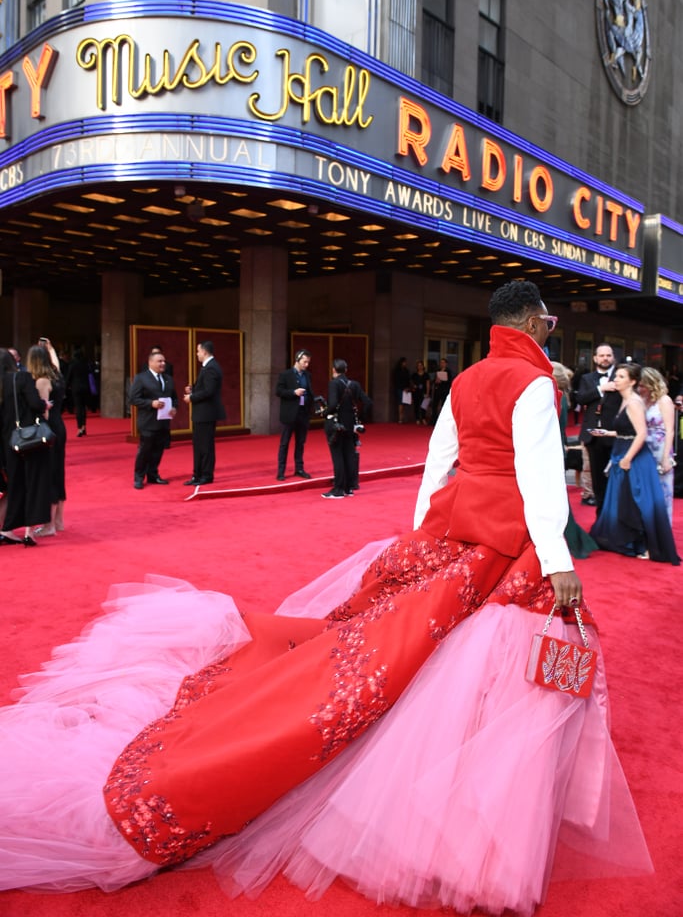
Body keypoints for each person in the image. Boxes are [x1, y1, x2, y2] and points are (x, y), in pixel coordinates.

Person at [0, 283, 653, 912]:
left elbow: (436, 460)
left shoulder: (464, 379)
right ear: (534, 321)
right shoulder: (533, 382)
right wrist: (560, 557)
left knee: (408, 659)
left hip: (454, 529)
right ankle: (475, 810)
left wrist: (425, 532)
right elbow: (540, 475)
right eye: (549, 323)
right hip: (512, 545)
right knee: (499, 676)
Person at [589, 362, 679, 564]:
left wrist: (628, 458)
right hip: (626, 451)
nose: (616, 380)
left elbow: (641, 434)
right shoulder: (628, 401)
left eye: (621, 377)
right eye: (616, 376)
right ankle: (629, 540)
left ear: (632, 381)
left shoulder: (635, 403)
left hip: (636, 456)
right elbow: (628, 431)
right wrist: (607, 433)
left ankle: (646, 545)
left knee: (641, 501)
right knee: (628, 500)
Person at [0, 346, 52, 547]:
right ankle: (30, 531)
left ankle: (7, 528)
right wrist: (45, 405)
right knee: (35, 482)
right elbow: (35, 404)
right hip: (28, 439)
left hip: (7, 442)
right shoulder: (21, 378)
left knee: (16, 484)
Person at [552, 362, 597, 559]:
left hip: (550, 453)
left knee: (556, 501)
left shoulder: (556, 397)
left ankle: (571, 539)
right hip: (554, 452)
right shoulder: (560, 397)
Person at [27, 340, 67, 537]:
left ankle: (50, 524)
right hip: (60, 428)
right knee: (58, 472)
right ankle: (58, 520)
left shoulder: (42, 381)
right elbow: (57, 365)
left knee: (50, 473)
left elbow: (45, 414)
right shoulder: (57, 376)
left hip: (49, 430)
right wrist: (51, 350)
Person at [575, 343, 621, 511]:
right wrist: (601, 389)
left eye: (608, 355)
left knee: (616, 477)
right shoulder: (587, 379)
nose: (605, 358)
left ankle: (614, 514)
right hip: (593, 435)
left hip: (614, 434)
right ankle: (601, 515)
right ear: (595, 358)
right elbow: (581, 398)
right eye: (601, 355)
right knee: (597, 477)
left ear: (613, 358)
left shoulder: (620, 377)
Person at [129, 350, 177, 490]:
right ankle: (139, 477)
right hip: (148, 421)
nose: (163, 364)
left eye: (164, 361)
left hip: (164, 421)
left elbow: (174, 397)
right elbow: (133, 399)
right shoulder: (141, 378)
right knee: (145, 450)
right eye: (159, 361)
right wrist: (151, 403)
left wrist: (174, 407)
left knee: (158, 450)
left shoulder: (168, 378)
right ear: (150, 363)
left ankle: (153, 474)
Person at [183, 341, 225, 486]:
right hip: (202, 413)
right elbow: (205, 388)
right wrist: (193, 389)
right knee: (199, 445)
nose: (197, 354)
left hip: (206, 413)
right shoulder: (208, 367)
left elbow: (209, 391)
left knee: (205, 446)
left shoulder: (212, 368)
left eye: (198, 351)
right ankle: (198, 475)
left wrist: (192, 397)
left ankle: (205, 475)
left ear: (204, 352)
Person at [321, 359, 365, 499]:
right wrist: (358, 419)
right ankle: (349, 488)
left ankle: (338, 489)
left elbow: (333, 404)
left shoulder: (333, 384)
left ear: (334, 370)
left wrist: (325, 412)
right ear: (346, 370)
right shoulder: (355, 385)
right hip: (351, 426)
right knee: (349, 455)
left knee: (338, 456)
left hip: (337, 425)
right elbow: (367, 402)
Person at [638, 366, 676, 524]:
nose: (639, 387)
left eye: (642, 384)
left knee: (663, 489)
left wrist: (666, 457)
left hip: (660, 447)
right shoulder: (642, 400)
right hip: (644, 447)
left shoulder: (664, 400)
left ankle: (663, 526)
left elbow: (670, 430)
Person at [275, 349, 313, 480]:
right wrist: (293, 392)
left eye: (308, 362)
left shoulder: (307, 375)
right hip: (290, 413)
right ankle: (281, 471)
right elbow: (279, 391)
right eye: (304, 362)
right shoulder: (285, 375)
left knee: (300, 442)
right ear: (297, 360)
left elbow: (310, 391)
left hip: (303, 412)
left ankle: (299, 468)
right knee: (285, 443)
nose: (306, 365)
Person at [67, 346, 91, 437]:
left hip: (76, 388)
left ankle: (79, 427)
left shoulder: (72, 365)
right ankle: (84, 426)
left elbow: (68, 377)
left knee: (78, 408)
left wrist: (65, 388)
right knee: (83, 408)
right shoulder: (85, 364)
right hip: (85, 387)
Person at [430, 357, 453, 424]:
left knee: (443, 405)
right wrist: (436, 381)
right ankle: (434, 420)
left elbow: (449, 381)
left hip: (444, 390)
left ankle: (443, 421)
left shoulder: (448, 371)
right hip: (438, 389)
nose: (442, 364)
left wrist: (442, 381)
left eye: (443, 363)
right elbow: (434, 380)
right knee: (435, 405)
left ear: (446, 364)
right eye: (441, 362)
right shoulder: (438, 370)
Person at [410, 359, 430, 425]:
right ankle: (417, 419)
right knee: (416, 405)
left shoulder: (426, 375)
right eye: (418, 366)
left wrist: (427, 393)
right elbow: (411, 382)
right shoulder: (414, 374)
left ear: (423, 366)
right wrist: (413, 386)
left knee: (423, 406)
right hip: (416, 392)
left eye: (421, 365)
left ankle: (423, 418)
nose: (419, 367)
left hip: (423, 392)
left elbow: (428, 384)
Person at [392, 356, 411, 423]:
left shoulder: (406, 370)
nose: (405, 364)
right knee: (400, 403)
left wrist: (407, 388)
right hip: (400, 389)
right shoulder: (397, 371)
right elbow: (396, 381)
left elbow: (408, 380)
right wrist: (403, 388)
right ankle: (400, 418)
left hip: (406, 389)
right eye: (404, 362)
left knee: (405, 403)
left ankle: (404, 417)